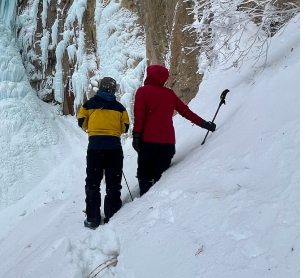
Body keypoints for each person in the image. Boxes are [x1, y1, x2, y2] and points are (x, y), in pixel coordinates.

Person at [131, 65, 216, 195]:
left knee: (145, 174)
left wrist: (136, 135)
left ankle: (145, 206)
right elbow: (186, 112)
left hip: (148, 141)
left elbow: (139, 115)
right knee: (161, 176)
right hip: (167, 143)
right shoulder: (169, 94)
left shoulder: (143, 92)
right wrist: (204, 124)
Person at [77, 76, 130, 229]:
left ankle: (92, 218)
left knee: (93, 183)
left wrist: (92, 129)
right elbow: (124, 127)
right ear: (113, 89)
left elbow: (81, 122)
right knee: (113, 184)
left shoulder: (88, 105)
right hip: (113, 149)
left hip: (95, 149)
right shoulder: (120, 108)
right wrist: (113, 132)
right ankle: (112, 215)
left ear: (100, 88)